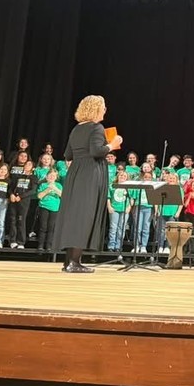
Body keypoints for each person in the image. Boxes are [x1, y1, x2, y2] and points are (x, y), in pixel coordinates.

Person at [53, 95, 122, 273]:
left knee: (74, 215)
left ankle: (68, 261)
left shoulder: (77, 128)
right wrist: (112, 145)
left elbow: (68, 154)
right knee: (84, 216)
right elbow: (97, 151)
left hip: (76, 173)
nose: (105, 110)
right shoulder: (96, 127)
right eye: (103, 107)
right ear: (96, 109)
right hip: (90, 174)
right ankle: (74, 263)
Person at [36, 169, 62, 251]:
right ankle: (40, 245)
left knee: (51, 227)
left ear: (56, 177)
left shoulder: (58, 185)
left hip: (54, 208)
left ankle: (49, 246)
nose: (51, 177)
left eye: (53, 176)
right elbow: (39, 196)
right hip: (44, 207)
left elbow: (63, 195)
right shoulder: (43, 185)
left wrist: (54, 188)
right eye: (50, 175)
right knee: (43, 227)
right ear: (47, 177)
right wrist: (47, 189)